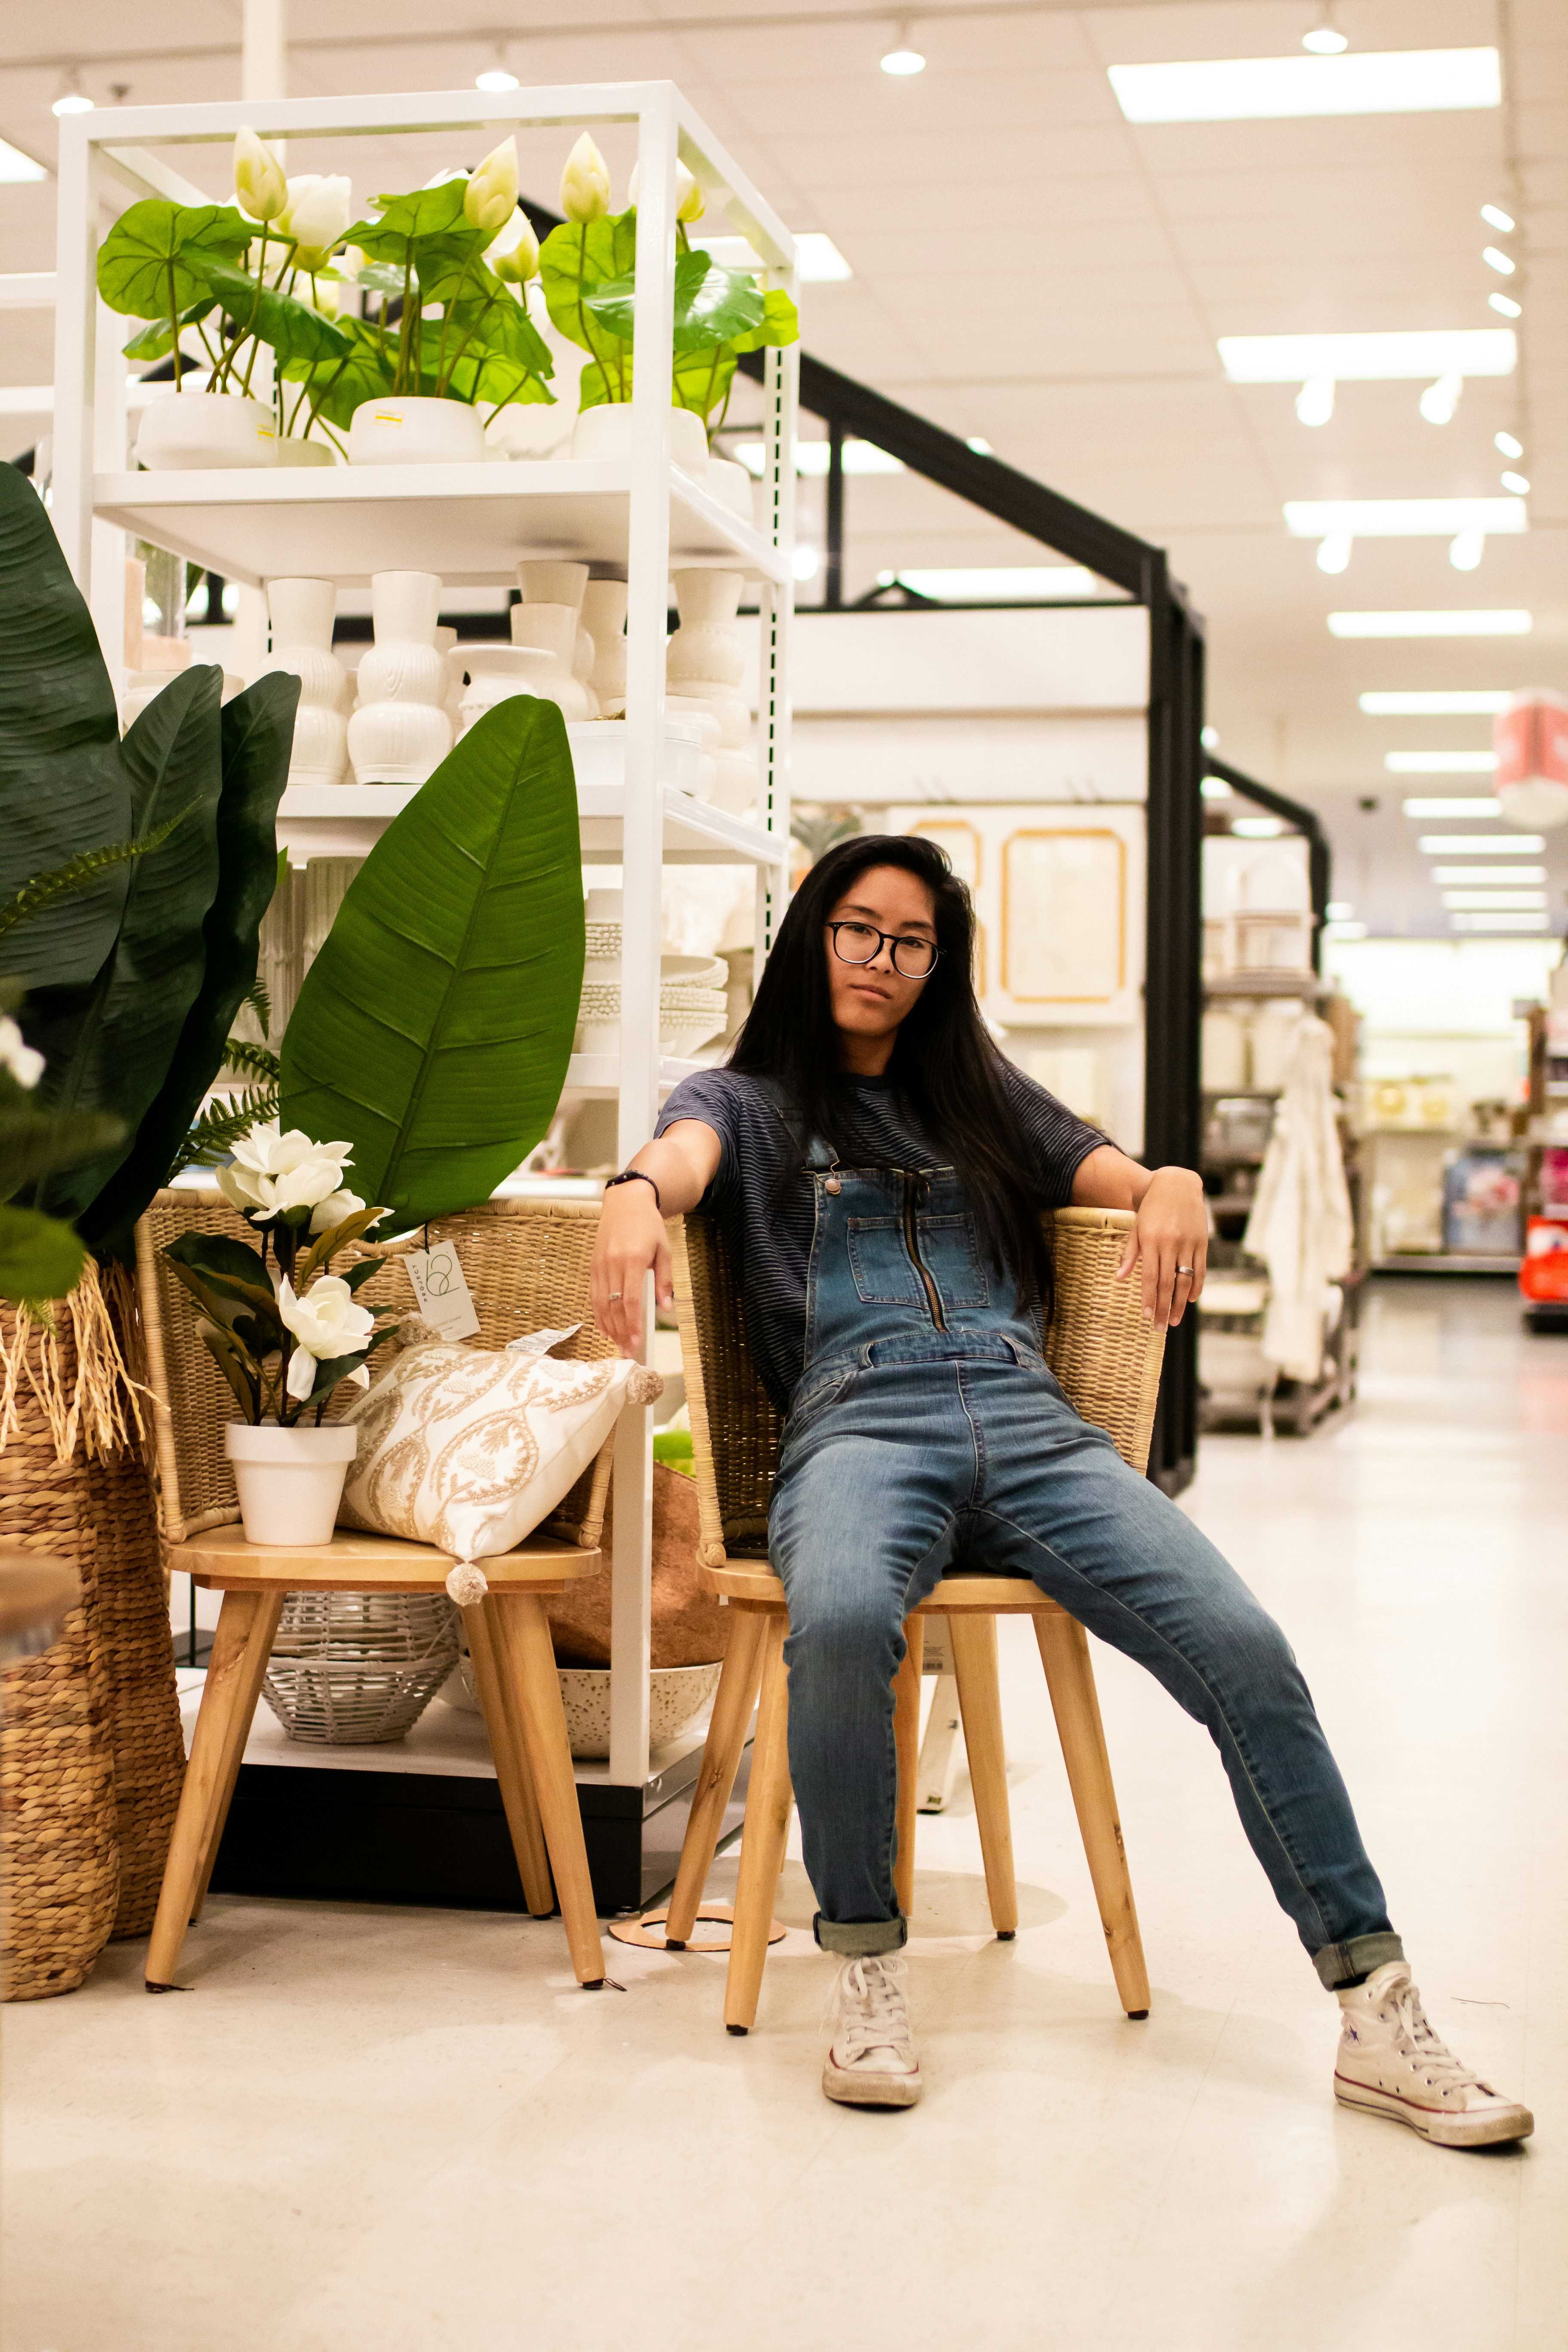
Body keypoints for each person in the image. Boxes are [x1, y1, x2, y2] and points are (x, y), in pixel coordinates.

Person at [590, 834, 1531, 2146]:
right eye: (859, 929)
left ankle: (1376, 2007)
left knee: (1247, 1648)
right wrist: (636, 1188)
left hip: (1034, 1422)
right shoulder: (742, 1103)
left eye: (911, 942)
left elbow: (1115, 1173)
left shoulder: (980, 1094)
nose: (881, 961)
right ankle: (865, 1967)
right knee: (849, 1623)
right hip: (860, 1423)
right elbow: (681, 1157)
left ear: (939, 963)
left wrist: (1176, 1180)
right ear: (811, 933)